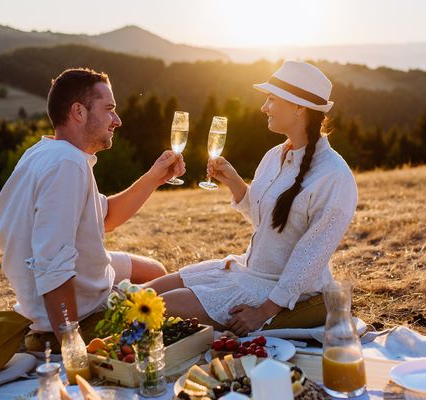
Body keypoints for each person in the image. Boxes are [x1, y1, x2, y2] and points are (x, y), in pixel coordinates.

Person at [146, 61, 358, 336]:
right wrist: (235, 183)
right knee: (145, 292)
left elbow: (310, 258)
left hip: (279, 291)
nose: (263, 107)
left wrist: (264, 311)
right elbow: (266, 221)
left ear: (299, 108)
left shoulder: (334, 176)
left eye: (271, 99)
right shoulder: (274, 156)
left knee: (156, 306)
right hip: (245, 271)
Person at [0, 68, 185, 351]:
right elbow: (53, 266)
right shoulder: (67, 165)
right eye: (109, 109)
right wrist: (73, 348)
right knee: (185, 297)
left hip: (65, 283)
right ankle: (55, 337)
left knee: (154, 270)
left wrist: (154, 177)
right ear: (78, 112)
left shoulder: (45, 152)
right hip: (74, 315)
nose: (117, 121)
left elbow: (103, 217)